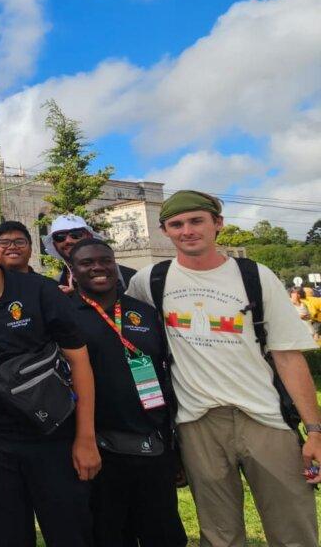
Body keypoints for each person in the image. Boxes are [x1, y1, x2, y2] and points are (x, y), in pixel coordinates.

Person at [126, 190, 321, 547]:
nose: (187, 230)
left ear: (218, 224)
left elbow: (289, 357)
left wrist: (315, 431)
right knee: (219, 536)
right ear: (165, 230)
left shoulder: (256, 277)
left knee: (294, 529)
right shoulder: (150, 281)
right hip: (197, 422)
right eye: (177, 224)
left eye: (197, 220)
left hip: (265, 418)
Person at [0, 217, 99, 547]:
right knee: (6, 535)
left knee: (68, 533)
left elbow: (79, 362)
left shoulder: (40, 291)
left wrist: (85, 438)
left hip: (51, 437)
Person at [66, 239, 185, 547]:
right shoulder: (63, 314)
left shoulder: (144, 311)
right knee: (109, 534)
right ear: (73, 271)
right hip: (98, 446)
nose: (98, 267)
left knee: (164, 533)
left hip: (153, 442)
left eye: (105, 260)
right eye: (87, 263)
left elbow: (167, 369)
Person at [42, 214, 135, 291]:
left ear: (89, 236)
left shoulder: (128, 277)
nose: (68, 240)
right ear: (54, 244)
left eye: (76, 234)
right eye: (60, 237)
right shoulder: (54, 285)